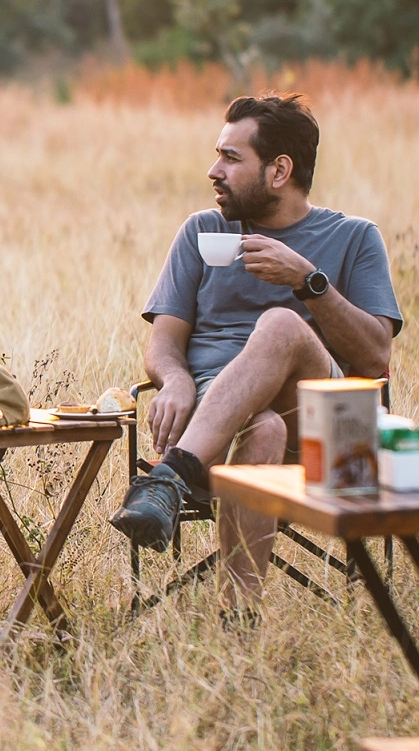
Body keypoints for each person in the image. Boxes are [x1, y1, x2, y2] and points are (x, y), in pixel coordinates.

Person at [109, 94, 402, 610]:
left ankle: (170, 477)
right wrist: (174, 380)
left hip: (325, 432)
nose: (213, 170)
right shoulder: (202, 232)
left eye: (231, 158)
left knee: (283, 324)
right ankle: (238, 622)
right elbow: (163, 345)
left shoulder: (354, 238)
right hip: (214, 421)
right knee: (263, 428)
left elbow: (376, 355)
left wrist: (308, 283)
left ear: (279, 170)